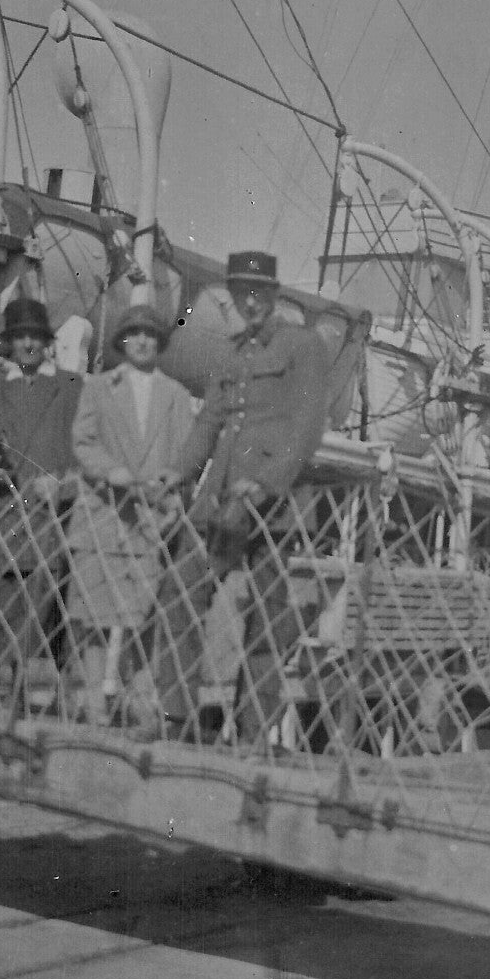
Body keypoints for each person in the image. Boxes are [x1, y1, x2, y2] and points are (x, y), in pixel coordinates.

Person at [137, 251, 332, 749]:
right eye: (241, 292)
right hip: (221, 499)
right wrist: (178, 474)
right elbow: (209, 422)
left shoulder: (303, 346)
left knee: (265, 618)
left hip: (275, 504)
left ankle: (251, 733)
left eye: (259, 292)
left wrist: (266, 481)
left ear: (274, 295)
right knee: (180, 592)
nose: (251, 302)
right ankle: (176, 717)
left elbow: (306, 428)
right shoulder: (230, 352)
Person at [64, 304, 197, 726]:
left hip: (148, 520)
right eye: (134, 333)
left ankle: (139, 700)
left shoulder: (175, 395)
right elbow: (83, 442)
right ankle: (94, 701)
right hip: (104, 513)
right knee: (96, 613)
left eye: (150, 334)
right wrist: (110, 470)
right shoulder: (100, 387)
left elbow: (184, 454)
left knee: (142, 615)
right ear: (122, 340)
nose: (142, 340)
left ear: (160, 342)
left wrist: (170, 492)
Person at [0, 296, 83, 704]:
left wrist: (62, 483)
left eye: (36, 336)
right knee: (0, 590)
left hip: (51, 512)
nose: (28, 345)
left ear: (48, 341)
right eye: (20, 338)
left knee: (44, 596)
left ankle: (36, 685)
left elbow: (84, 453)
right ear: (10, 344)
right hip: (5, 507)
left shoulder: (70, 387)